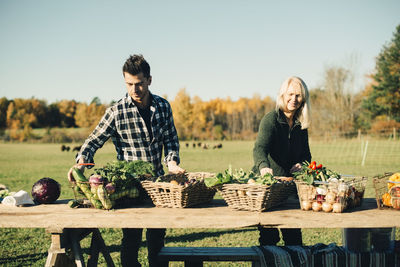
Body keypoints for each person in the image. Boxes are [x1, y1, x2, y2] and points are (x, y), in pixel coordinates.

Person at [67, 54, 185, 267]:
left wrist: (172, 162)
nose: (134, 89)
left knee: (157, 239)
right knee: (131, 239)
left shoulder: (163, 107)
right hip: (126, 187)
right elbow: (94, 140)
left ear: (149, 80)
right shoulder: (116, 111)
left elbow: (171, 140)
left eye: (139, 84)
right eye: (129, 84)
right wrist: (81, 161)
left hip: (157, 186)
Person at [252, 76, 311, 246]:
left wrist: (303, 164)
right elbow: (259, 148)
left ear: (303, 98)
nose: (294, 99)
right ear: (282, 95)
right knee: (269, 238)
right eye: (290, 94)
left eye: (298, 95)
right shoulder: (271, 120)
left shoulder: (301, 124)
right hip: (268, 186)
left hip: (289, 186)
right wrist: (263, 167)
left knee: (294, 237)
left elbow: (306, 155)